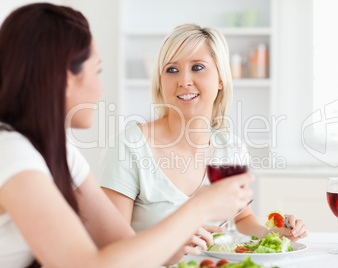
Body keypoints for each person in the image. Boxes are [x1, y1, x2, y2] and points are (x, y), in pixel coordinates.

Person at [0, 4, 254, 268]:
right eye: (96, 71)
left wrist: (175, 249)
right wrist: (197, 210)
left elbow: (120, 246)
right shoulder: (12, 153)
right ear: (65, 78)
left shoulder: (59, 152)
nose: (100, 87)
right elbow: (88, 265)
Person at [98, 23, 308, 254]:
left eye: (197, 67)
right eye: (172, 70)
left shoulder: (232, 148)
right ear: (160, 81)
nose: (184, 81)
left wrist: (274, 233)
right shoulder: (130, 145)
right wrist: (169, 246)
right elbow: (110, 244)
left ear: (220, 78)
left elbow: (241, 218)